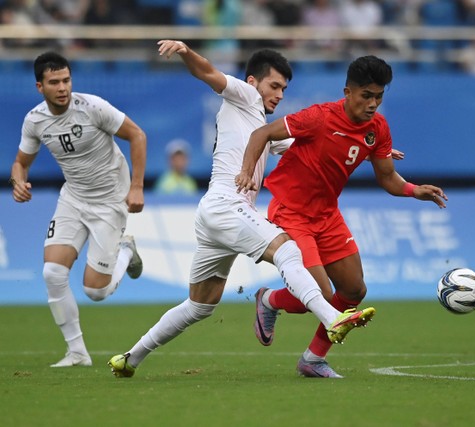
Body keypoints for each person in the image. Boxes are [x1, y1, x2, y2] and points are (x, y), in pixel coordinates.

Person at [107, 40, 375, 378]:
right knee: (287, 251)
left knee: (200, 305)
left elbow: (313, 145)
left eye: (284, 88)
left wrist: (363, 146)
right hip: (226, 205)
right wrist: (185, 52)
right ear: (253, 82)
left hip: (215, 215)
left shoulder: (263, 126)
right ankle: (332, 318)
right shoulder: (244, 95)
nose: (279, 94)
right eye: (274, 85)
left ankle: (131, 357)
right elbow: (207, 72)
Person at [236, 55, 447, 378]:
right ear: (347, 91)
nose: (373, 103)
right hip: (291, 211)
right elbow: (261, 134)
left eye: (379, 96)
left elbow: (387, 176)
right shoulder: (318, 117)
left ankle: (313, 358)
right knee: (317, 294)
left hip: (327, 215)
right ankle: (270, 300)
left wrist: (413, 190)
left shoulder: (377, 128)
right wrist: (247, 174)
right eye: (366, 95)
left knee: (353, 290)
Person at [9, 51, 146, 367]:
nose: (62, 87)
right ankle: (77, 353)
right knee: (52, 272)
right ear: (39, 87)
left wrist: (136, 186)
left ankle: (126, 251)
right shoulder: (35, 120)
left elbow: (137, 135)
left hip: (110, 199)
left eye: (66, 80)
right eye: (54, 82)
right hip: (73, 198)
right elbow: (20, 162)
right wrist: (19, 180)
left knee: (94, 292)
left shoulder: (93, 107)